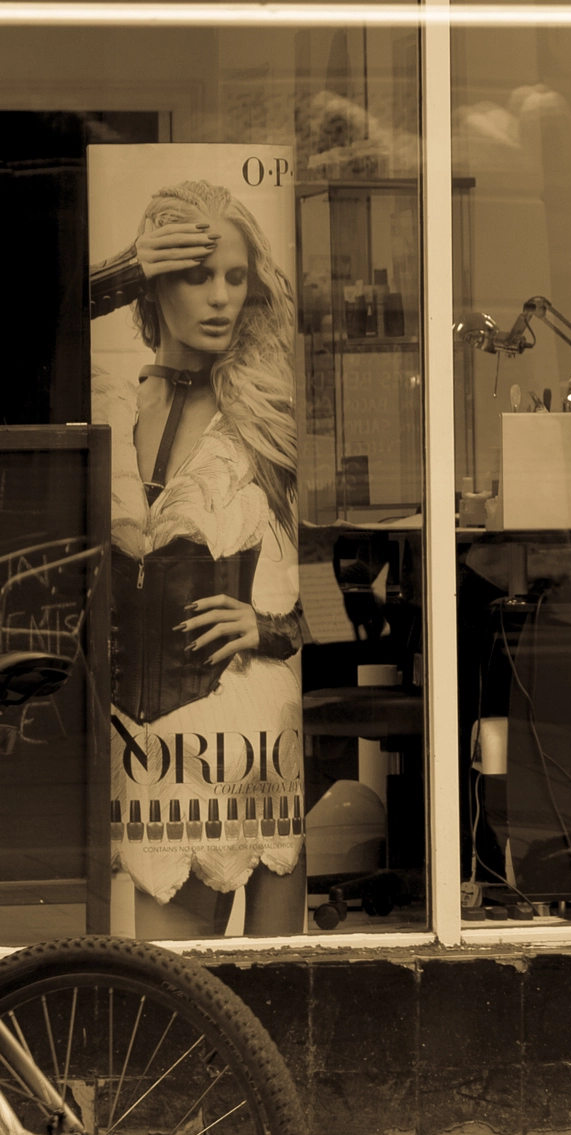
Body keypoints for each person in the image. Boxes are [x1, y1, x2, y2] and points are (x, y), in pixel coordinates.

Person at [90, 179, 307, 938]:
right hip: (132, 751)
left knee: (246, 1004)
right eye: (195, 273)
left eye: (235, 278)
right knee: (162, 991)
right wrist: (116, 273)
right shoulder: (105, 407)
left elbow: (320, 603)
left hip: (241, 735)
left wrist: (266, 624)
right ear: (154, 286)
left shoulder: (269, 415)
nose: (220, 297)